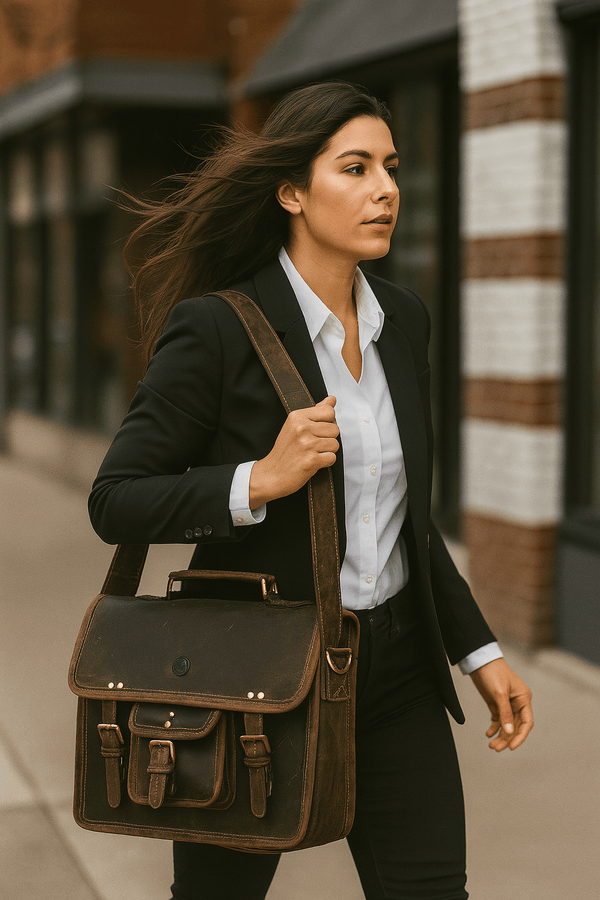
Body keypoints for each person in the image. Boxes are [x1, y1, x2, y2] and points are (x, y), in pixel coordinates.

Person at [89, 81, 533, 900]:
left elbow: (405, 520)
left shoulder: (403, 320)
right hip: (255, 675)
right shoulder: (217, 329)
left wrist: (478, 650)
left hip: (397, 673)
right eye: (355, 168)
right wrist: (258, 480)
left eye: (391, 167)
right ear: (292, 191)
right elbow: (115, 499)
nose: (385, 189)